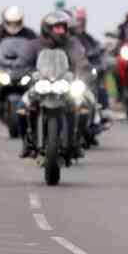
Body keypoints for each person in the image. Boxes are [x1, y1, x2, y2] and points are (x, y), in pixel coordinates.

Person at [21, 10, 92, 158]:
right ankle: (27, 142)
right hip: (40, 84)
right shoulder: (34, 45)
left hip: (65, 84)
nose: (61, 31)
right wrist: (25, 75)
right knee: (22, 107)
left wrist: (83, 75)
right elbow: (23, 63)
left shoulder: (72, 43)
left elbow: (81, 62)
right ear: (47, 28)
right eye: (57, 27)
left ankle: (77, 142)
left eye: (63, 27)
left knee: (83, 107)